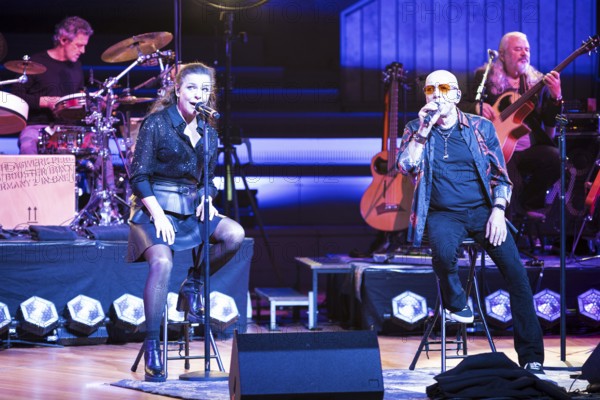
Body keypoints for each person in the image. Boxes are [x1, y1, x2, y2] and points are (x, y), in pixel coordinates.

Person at [396, 70, 547, 377]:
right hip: (443, 213)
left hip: (483, 212)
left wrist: (498, 210)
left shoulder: (480, 128)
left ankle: (531, 357)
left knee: (517, 275)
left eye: (443, 88)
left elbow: (500, 177)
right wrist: (424, 129)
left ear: (455, 95)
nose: (436, 94)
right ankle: (456, 302)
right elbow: (405, 165)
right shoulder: (415, 127)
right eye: (430, 89)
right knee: (441, 253)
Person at [126, 62, 245, 382]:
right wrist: (158, 214)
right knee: (162, 262)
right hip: (154, 208)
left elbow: (208, 180)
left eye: (205, 89)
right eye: (192, 88)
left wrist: (207, 197)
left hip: (191, 206)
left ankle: (192, 285)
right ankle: (153, 346)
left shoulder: (209, 133)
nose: (198, 94)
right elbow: (138, 176)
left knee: (234, 233)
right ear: (177, 90)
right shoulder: (157, 124)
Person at [461, 31, 562, 225]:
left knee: (555, 157)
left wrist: (555, 97)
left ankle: (528, 204)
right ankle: (506, 230)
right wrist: (477, 108)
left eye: (527, 49)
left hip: (527, 147)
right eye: (518, 49)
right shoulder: (485, 77)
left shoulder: (535, 81)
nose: (524, 53)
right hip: (497, 148)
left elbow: (549, 121)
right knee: (506, 173)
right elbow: (462, 105)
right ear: (503, 54)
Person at [12, 16, 94, 154]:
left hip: (68, 130)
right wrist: (44, 101)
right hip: (38, 127)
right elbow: (15, 96)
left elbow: (79, 96)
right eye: (79, 45)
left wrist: (94, 103)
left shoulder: (77, 67)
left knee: (102, 154)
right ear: (63, 40)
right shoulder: (35, 63)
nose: (83, 51)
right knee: (28, 146)